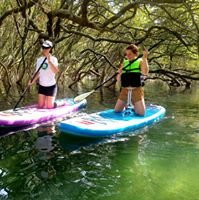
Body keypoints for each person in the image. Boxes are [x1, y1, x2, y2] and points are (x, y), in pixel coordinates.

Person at [114, 44, 149, 116]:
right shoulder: (125, 62)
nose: (127, 56)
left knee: (141, 114)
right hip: (125, 90)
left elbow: (145, 72)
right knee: (117, 111)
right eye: (126, 54)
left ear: (135, 54)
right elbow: (118, 75)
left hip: (136, 90)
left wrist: (145, 58)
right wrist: (119, 75)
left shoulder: (140, 61)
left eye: (130, 54)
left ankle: (133, 106)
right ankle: (128, 106)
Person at [29, 40, 59, 109]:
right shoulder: (39, 60)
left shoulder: (54, 59)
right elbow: (38, 73)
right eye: (43, 48)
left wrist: (49, 62)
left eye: (47, 48)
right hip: (42, 86)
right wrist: (32, 81)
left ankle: (53, 103)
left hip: (51, 86)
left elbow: (56, 71)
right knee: (40, 106)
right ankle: (47, 101)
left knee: (49, 107)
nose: (45, 49)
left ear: (50, 48)